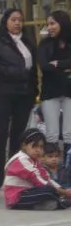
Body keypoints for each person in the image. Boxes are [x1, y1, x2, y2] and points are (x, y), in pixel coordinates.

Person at [0, 8, 38, 189]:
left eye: (20, 20)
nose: (17, 23)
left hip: (24, 94)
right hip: (3, 93)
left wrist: (34, 91)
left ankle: (15, 174)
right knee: (1, 134)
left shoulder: (27, 42)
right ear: (6, 22)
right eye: (13, 19)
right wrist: (6, 71)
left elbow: (32, 70)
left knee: (19, 136)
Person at [3, 129, 71, 210]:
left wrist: (63, 190)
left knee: (52, 189)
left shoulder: (35, 160)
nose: (38, 150)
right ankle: (60, 202)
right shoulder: (21, 159)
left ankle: (52, 203)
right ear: (24, 145)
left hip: (30, 192)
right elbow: (38, 180)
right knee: (49, 190)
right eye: (34, 146)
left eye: (41, 147)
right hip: (16, 198)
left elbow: (47, 178)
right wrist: (63, 192)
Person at [36, 10, 71, 158]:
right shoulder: (45, 44)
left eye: (52, 23)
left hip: (69, 92)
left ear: (62, 23)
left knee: (69, 132)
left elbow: (51, 66)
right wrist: (66, 69)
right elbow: (44, 65)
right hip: (50, 92)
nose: (49, 27)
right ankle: (52, 169)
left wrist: (58, 63)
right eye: (47, 24)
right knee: (52, 134)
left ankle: (68, 168)